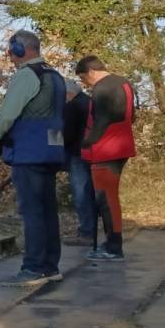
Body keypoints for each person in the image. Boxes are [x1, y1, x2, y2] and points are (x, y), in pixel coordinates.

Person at [0, 30, 66, 286]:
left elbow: (7, 115)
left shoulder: (27, 75)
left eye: (11, 50)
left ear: (22, 50)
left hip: (29, 151)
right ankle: (50, 266)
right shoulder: (55, 75)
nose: (9, 55)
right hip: (51, 151)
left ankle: (33, 268)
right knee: (47, 210)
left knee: (32, 210)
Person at [75, 55, 136, 261]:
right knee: (110, 198)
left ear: (91, 72)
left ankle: (113, 247)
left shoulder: (101, 88)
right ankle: (112, 241)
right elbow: (131, 115)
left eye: (84, 79)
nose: (85, 83)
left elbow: (101, 120)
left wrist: (87, 142)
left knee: (105, 199)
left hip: (105, 150)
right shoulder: (125, 83)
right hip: (123, 145)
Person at [63, 77, 97, 246]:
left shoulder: (72, 106)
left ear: (68, 93)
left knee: (81, 193)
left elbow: (67, 134)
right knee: (92, 192)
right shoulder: (89, 101)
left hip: (78, 154)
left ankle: (86, 232)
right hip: (94, 152)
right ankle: (95, 230)